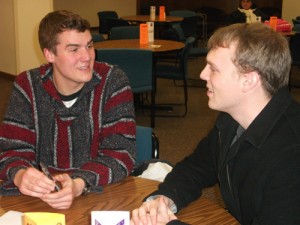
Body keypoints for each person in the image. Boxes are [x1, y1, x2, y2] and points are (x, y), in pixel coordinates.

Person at [130, 22, 300, 225]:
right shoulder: (232, 118)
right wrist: (165, 198)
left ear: (249, 80)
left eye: (213, 69)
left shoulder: (291, 154)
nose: (202, 74)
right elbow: (197, 167)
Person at [0, 10, 136, 209]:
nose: (87, 57)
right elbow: (11, 150)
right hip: (40, 201)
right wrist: (20, 175)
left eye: (89, 46)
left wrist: (78, 183)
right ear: (49, 54)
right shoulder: (27, 85)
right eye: (74, 49)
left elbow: (121, 154)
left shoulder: (113, 81)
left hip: (99, 197)